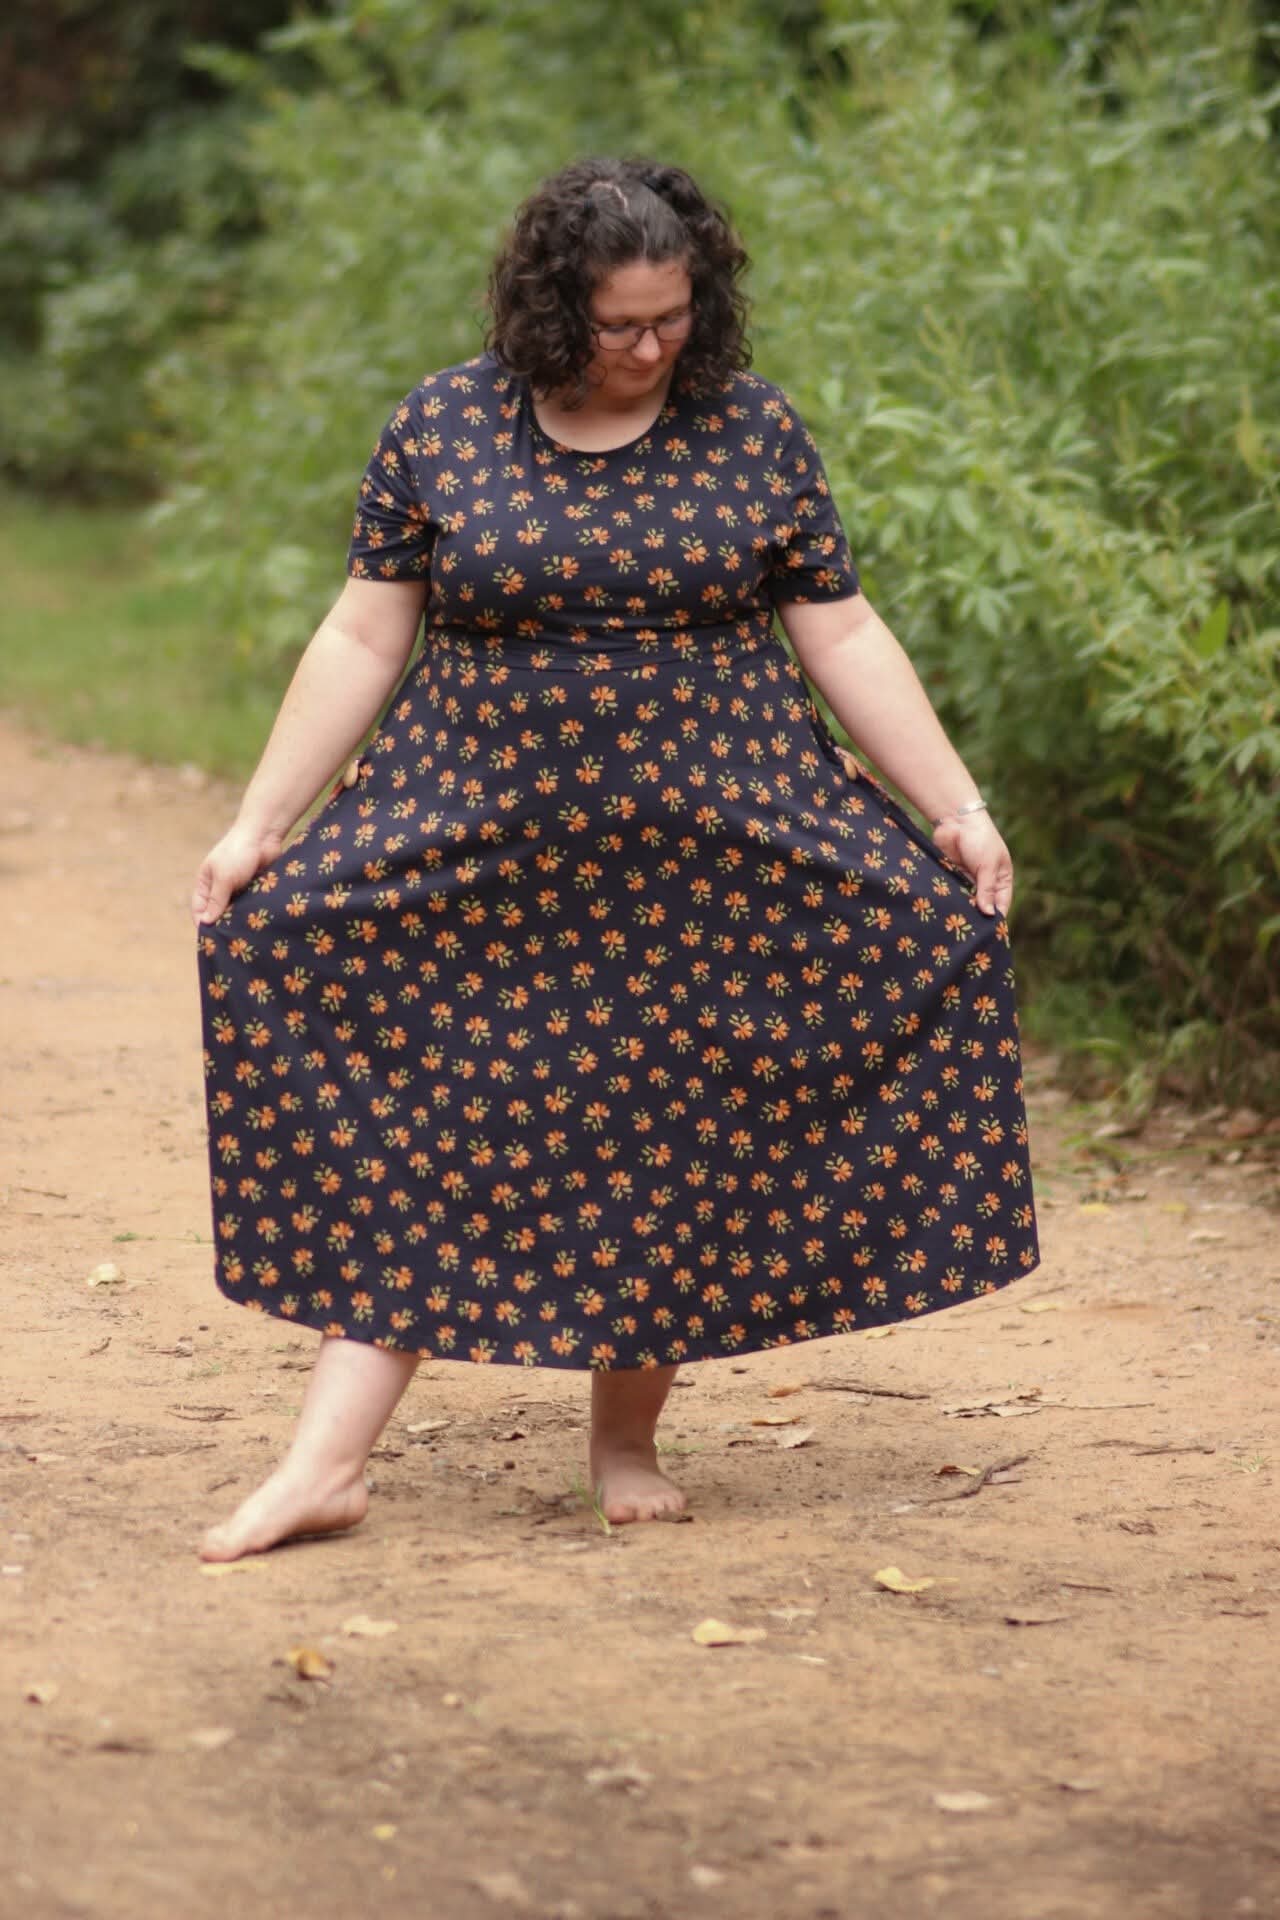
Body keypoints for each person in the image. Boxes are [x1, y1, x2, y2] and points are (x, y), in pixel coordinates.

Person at [191, 155, 1039, 1563]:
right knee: (436, 1120)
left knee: (672, 1138)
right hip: (482, 854)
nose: (651, 347)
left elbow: (837, 627)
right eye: (619, 325)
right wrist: (258, 825)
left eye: (674, 317)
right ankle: (324, 1466)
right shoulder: (446, 427)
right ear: (545, 311)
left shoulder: (751, 428)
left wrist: (954, 803)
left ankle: (626, 1435)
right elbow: (362, 631)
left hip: (718, 857)